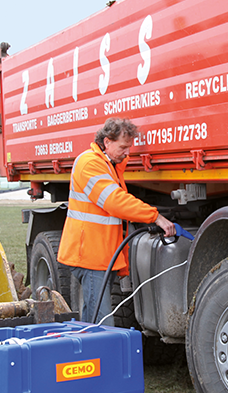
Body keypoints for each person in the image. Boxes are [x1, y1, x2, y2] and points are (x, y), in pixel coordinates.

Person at [57, 118, 175, 325]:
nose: (127, 153)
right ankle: (97, 356)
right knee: (101, 324)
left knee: (91, 319)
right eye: (123, 147)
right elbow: (115, 201)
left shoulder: (108, 165)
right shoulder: (89, 163)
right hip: (90, 257)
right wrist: (155, 216)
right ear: (106, 142)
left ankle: (88, 354)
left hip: (99, 255)